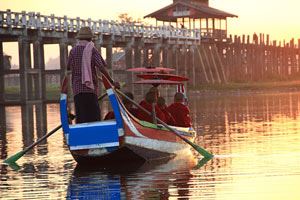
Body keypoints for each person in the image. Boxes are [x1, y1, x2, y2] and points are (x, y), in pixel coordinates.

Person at [67, 26, 119, 123]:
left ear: (79, 38)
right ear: (90, 38)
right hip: (90, 89)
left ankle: (82, 136)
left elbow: (68, 67)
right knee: (94, 117)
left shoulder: (73, 51)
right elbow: (102, 68)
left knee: (81, 117)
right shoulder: (92, 49)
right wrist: (112, 81)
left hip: (77, 90)